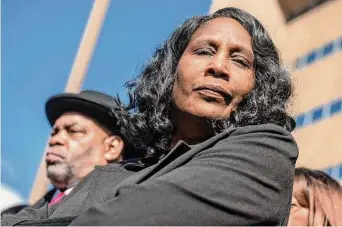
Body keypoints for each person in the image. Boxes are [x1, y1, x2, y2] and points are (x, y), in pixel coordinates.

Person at [2, 7, 298, 225]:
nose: (218, 66)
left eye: (239, 60)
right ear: (170, 73)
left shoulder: (267, 153)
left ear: (258, 86)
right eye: (204, 51)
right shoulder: (110, 175)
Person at [2, 90, 135, 216]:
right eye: (54, 132)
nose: (55, 139)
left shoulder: (130, 206)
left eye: (74, 131)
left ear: (112, 148)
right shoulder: (13, 215)